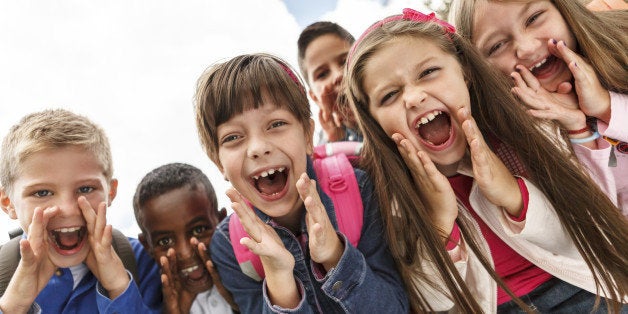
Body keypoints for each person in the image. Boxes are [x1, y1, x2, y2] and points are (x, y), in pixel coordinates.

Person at [344, 8, 628, 313]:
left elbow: (592, 226)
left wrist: (512, 194)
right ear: (375, 123)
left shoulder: (525, 130)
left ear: (464, 70)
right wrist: (441, 224)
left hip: (588, 293)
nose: (413, 98)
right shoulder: (392, 196)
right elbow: (431, 301)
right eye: (389, 96)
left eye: (428, 72)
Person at [194, 53, 408, 313]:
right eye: (233, 137)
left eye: (276, 124)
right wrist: (279, 281)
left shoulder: (360, 188)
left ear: (308, 135)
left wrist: (335, 257)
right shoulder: (230, 245)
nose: (258, 149)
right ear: (219, 164)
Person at [448, 0, 628, 215]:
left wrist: (605, 105)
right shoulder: (514, 144)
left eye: (533, 18)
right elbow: (600, 218)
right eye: (497, 46)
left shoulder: (621, 38)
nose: (527, 48)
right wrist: (578, 130)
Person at [0, 109, 161, 313]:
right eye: (42, 192)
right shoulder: (2, 272)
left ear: (110, 192)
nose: (67, 209)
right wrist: (13, 306)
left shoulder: (140, 260)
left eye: (85, 189)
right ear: (8, 203)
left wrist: (119, 289)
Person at [133, 162, 237, 314]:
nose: (186, 253)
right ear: (147, 246)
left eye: (199, 230)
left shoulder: (257, 274)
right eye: (165, 241)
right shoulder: (149, 300)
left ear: (221, 221)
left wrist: (243, 302)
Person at [297, 21, 363, 145]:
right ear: (316, 98)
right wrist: (339, 141)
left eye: (344, 61)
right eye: (322, 74)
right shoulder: (324, 150)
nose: (338, 75)